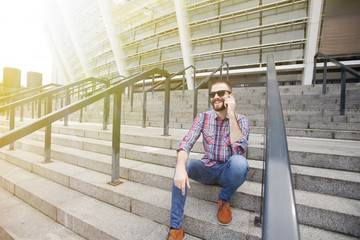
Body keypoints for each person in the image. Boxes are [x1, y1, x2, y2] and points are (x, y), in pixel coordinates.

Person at [167, 80, 250, 240]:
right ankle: (176, 227)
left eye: (221, 93)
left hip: (228, 170)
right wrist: (180, 166)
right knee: (184, 164)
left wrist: (231, 114)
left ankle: (224, 199)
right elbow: (186, 143)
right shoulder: (203, 118)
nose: (216, 97)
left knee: (240, 163)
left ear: (230, 96)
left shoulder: (241, 120)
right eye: (212, 94)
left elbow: (239, 150)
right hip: (208, 168)